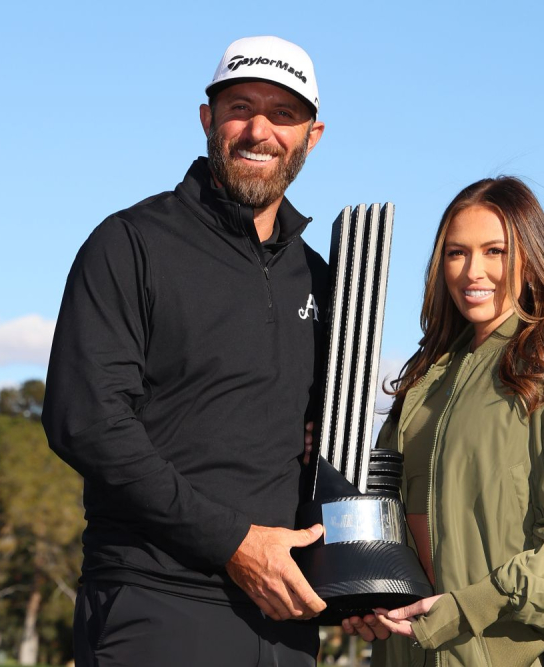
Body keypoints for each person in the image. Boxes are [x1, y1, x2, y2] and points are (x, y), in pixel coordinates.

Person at [41, 36, 330, 666]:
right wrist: (234, 543)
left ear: (313, 134)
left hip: (283, 618)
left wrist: (365, 582)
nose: (259, 129)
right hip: (152, 603)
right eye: (240, 107)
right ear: (207, 118)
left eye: (283, 115)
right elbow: (86, 422)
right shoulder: (130, 244)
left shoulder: (321, 278)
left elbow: (328, 439)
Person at [343, 177, 544, 666]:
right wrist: (367, 592)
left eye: (495, 251)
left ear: (529, 256)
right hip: (404, 652)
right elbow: (388, 513)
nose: (472, 271)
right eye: (456, 253)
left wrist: (466, 610)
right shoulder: (427, 380)